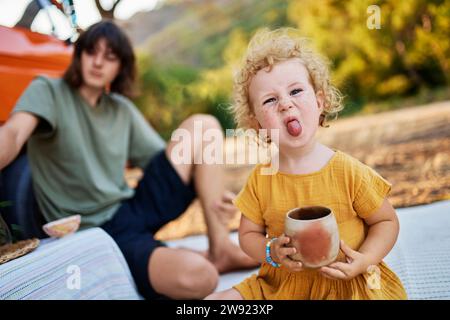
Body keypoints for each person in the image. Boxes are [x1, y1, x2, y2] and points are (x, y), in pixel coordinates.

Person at [0, 20, 258, 300]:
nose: (98, 62)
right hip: (96, 233)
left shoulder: (120, 109)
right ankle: (168, 257)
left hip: (133, 209)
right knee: (200, 278)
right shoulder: (48, 91)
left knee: (203, 125)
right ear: (79, 55)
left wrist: (213, 193)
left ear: (120, 66)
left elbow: (167, 163)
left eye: (110, 56)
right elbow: (13, 135)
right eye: (91, 52)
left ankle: (220, 247)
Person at [206, 28, 407, 300]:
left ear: (319, 101)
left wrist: (365, 260)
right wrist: (270, 252)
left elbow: (386, 221)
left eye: (296, 91)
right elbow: (248, 236)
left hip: (346, 284)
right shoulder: (262, 177)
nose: (285, 104)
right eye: (270, 100)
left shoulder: (347, 170)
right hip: (282, 286)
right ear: (257, 124)